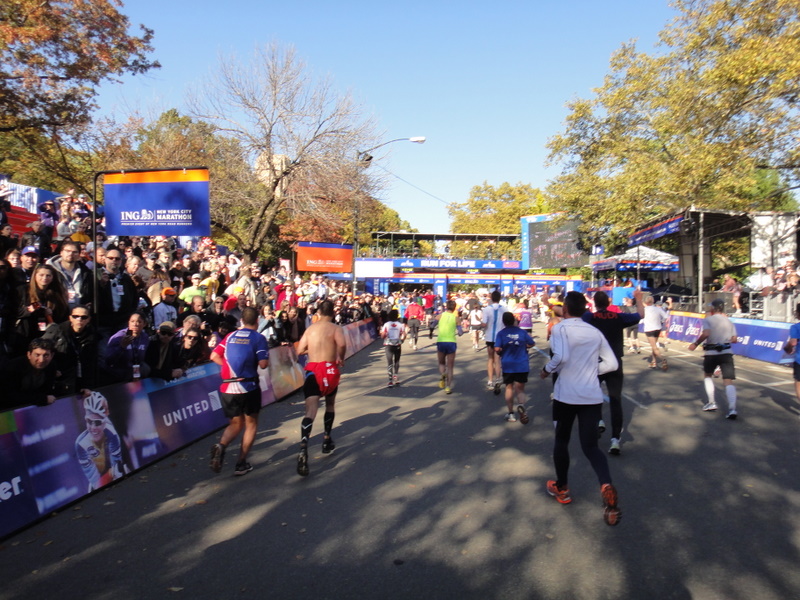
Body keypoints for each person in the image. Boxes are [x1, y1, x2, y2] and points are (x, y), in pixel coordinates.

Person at [540, 291, 621, 526]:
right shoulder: (594, 332)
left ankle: (562, 488)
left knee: (562, 440)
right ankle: (605, 483)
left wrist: (547, 369)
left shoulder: (560, 329)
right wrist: (591, 371)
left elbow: (561, 357)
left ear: (565, 309)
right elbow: (612, 363)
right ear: (585, 309)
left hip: (566, 395)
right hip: (591, 396)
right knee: (591, 447)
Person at [582, 289, 644, 455]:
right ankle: (615, 439)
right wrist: (639, 298)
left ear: (594, 303)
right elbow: (640, 315)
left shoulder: (590, 318)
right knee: (615, 399)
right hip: (615, 362)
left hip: (595, 362)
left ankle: (599, 421)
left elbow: (574, 318)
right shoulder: (618, 317)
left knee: (592, 396)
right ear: (608, 303)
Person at [209, 306, 269, 476]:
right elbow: (263, 364)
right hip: (248, 386)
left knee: (235, 423)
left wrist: (228, 368)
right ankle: (241, 463)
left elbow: (213, 356)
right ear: (257, 321)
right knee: (251, 424)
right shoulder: (258, 338)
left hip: (228, 386)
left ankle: (221, 446)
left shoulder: (229, 336)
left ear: (241, 320)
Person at [295, 299, 346, 477]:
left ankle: (303, 447)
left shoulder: (310, 329)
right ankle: (326, 439)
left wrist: (313, 349)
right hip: (329, 370)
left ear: (318, 312)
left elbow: (299, 351)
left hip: (312, 371)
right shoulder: (335, 329)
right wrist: (341, 357)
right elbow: (342, 344)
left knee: (310, 412)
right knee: (330, 405)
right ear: (332, 313)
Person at [688, 299, 739, 419]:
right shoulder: (729, 321)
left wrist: (695, 344)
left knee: (708, 375)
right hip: (726, 352)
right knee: (728, 381)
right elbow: (735, 339)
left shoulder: (708, 320)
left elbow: (706, 334)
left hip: (711, 352)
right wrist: (724, 339)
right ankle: (732, 409)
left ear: (713, 309)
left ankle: (711, 402)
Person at [41, 304, 99, 392]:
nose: (79, 319)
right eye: (75, 316)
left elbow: (90, 363)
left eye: (83, 317)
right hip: (59, 377)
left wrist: (87, 386)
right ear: (70, 318)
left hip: (78, 377)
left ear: (88, 319)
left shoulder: (92, 335)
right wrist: (52, 369)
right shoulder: (58, 331)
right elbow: (42, 349)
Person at [75, 391, 125, 491]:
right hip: (99, 477)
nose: (93, 428)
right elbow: (95, 481)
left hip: (111, 471)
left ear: (104, 422)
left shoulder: (112, 434)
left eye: (98, 423)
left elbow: (117, 470)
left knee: (123, 470)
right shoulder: (80, 444)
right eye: (89, 421)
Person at [494, 310, 535, 423]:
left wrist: (500, 352)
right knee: (520, 388)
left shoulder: (501, 333)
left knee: (509, 387)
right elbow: (532, 343)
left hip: (508, 364)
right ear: (514, 320)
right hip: (522, 364)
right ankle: (521, 405)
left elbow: (497, 348)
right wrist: (524, 346)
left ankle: (511, 413)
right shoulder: (522, 332)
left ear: (503, 322)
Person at [0, 338, 59, 411]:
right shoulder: (14, 367)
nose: (41, 360)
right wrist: (41, 399)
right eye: (37, 355)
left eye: (46, 355)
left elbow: (48, 390)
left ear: (52, 356)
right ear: (29, 355)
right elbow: (9, 395)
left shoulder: (51, 366)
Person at [481, 290, 507, 393]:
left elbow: (484, 324)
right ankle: (498, 379)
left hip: (489, 338)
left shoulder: (486, 309)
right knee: (498, 359)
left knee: (490, 359)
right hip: (500, 337)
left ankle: (490, 381)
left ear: (491, 298)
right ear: (500, 298)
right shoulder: (504, 309)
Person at [436, 299, 459, 394]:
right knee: (450, 366)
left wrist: (430, 333)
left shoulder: (440, 316)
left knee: (441, 363)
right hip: (451, 342)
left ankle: (442, 374)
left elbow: (432, 325)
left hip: (441, 341)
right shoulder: (456, 318)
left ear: (446, 307)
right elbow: (461, 331)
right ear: (454, 308)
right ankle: (448, 387)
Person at [381, 309, 406, 387]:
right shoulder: (400, 324)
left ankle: (390, 380)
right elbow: (404, 334)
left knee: (389, 362)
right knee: (397, 361)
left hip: (388, 344)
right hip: (397, 344)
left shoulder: (386, 324)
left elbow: (382, 335)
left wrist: (385, 335)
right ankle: (396, 376)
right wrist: (402, 340)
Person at [642, 296, 669, 370]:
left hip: (649, 329)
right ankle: (654, 362)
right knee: (654, 346)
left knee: (654, 347)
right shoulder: (658, 309)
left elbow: (640, 317)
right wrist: (661, 321)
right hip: (657, 328)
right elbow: (666, 316)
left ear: (645, 302)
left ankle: (663, 360)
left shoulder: (644, 309)